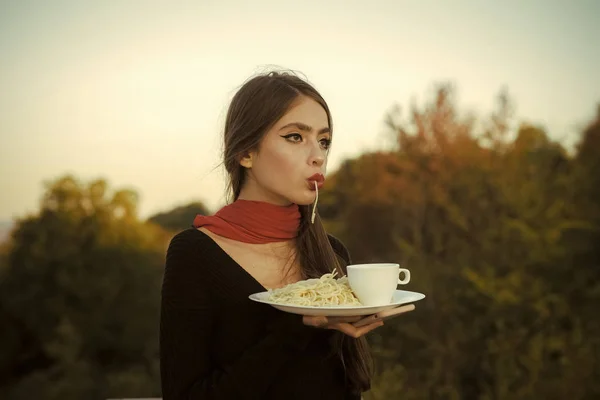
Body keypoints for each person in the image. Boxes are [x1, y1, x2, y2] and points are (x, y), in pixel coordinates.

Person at [159, 70, 411, 399]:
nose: (318, 155)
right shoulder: (194, 253)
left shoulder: (330, 252)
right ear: (245, 152)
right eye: (295, 137)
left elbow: (348, 388)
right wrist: (294, 328)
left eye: (324, 141)